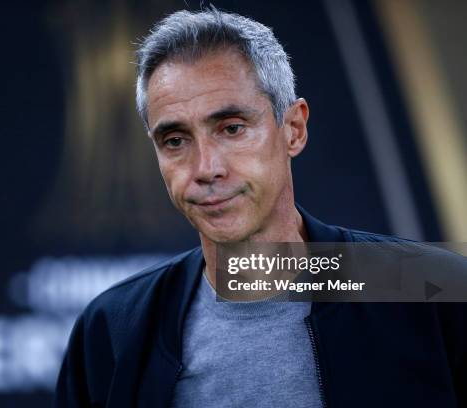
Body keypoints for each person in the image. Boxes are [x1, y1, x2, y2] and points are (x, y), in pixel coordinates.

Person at [55, 8, 466, 407]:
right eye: (176, 141)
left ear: (293, 130)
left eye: (232, 129)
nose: (206, 168)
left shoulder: (432, 291)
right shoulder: (113, 329)